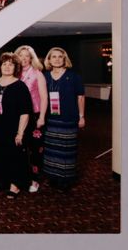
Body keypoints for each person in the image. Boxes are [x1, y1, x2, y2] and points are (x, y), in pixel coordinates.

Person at [0, 53, 32, 199]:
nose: (7, 67)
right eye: (4, 64)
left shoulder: (20, 86)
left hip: (13, 127)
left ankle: (15, 185)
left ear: (16, 67)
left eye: (10, 64)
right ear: (0, 66)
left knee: (15, 155)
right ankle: (2, 180)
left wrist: (20, 133)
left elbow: (25, 112)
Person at [42, 47, 85, 191]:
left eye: (60, 56)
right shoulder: (45, 76)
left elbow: (80, 97)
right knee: (52, 150)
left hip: (68, 119)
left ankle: (66, 180)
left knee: (67, 150)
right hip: (51, 120)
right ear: (49, 60)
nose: (57, 59)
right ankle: (53, 177)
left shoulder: (74, 76)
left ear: (64, 59)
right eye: (53, 56)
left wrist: (81, 117)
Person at [15, 45, 48, 193]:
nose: (23, 58)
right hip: (18, 115)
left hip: (35, 114)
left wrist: (42, 117)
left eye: (26, 55)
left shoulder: (37, 73)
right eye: (20, 55)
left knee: (35, 149)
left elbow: (44, 97)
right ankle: (19, 178)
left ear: (31, 58)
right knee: (20, 148)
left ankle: (35, 180)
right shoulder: (15, 73)